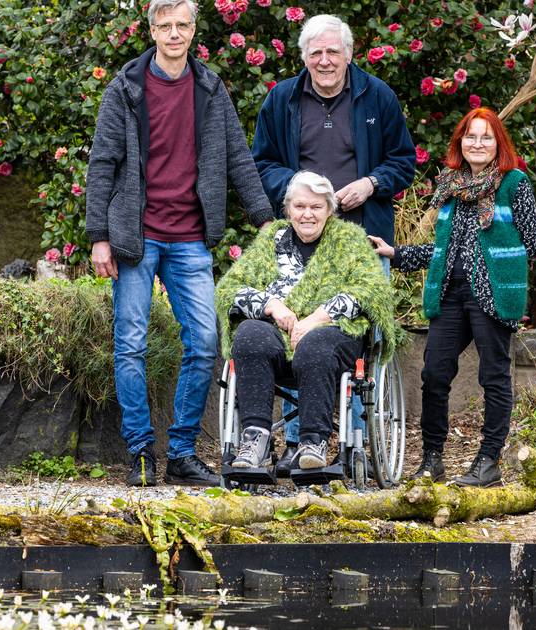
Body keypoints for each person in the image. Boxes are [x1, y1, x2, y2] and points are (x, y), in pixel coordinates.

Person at [86, 0, 274, 487]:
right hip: (136, 236)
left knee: (206, 341)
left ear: (193, 31)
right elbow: (103, 163)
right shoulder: (125, 88)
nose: (173, 34)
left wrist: (264, 220)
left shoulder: (210, 88)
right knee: (130, 345)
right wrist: (99, 237)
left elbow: (238, 157)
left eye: (182, 25)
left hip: (191, 236)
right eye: (164, 26)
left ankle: (182, 452)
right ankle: (141, 453)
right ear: (151, 31)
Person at [251, 14, 416, 473]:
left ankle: (353, 441)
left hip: (361, 239)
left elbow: (404, 161)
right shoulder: (282, 99)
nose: (325, 61)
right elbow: (260, 164)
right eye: (316, 53)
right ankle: (298, 443)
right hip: (298, 238)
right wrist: (299, 188)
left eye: (333, 52)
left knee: (353, 337)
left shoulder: (377, 96)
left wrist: (372, 182)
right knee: (297, 332)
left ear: (348, 54)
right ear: (304, 57)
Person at [369, 108, 536, 487]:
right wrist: (396, 253)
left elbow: (530, 243)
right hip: (450, 292)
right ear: (460, 143)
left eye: (486, 137)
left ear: (499, 144)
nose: (477, 143)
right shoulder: (451, 187)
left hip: (491, 294)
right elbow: (442, 251)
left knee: (493, 376)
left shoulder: (513, 184)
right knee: (434, 373)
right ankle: (432, 460)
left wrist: (494, 264)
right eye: (470, 136)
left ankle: (488, 461)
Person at [215, 171, 400, 471]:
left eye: (316, 207)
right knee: (249, 334)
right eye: (300, 207)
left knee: (316, 345)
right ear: (288, 210)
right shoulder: (271, 239)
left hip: (333, 335)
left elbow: (370, 291)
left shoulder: (349, 240)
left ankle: (313, 441)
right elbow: (229, 288)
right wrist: (273, 306)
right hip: (277, 335)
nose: (307, 214)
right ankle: (255, 440)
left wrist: (317, 317)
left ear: (329, 209)